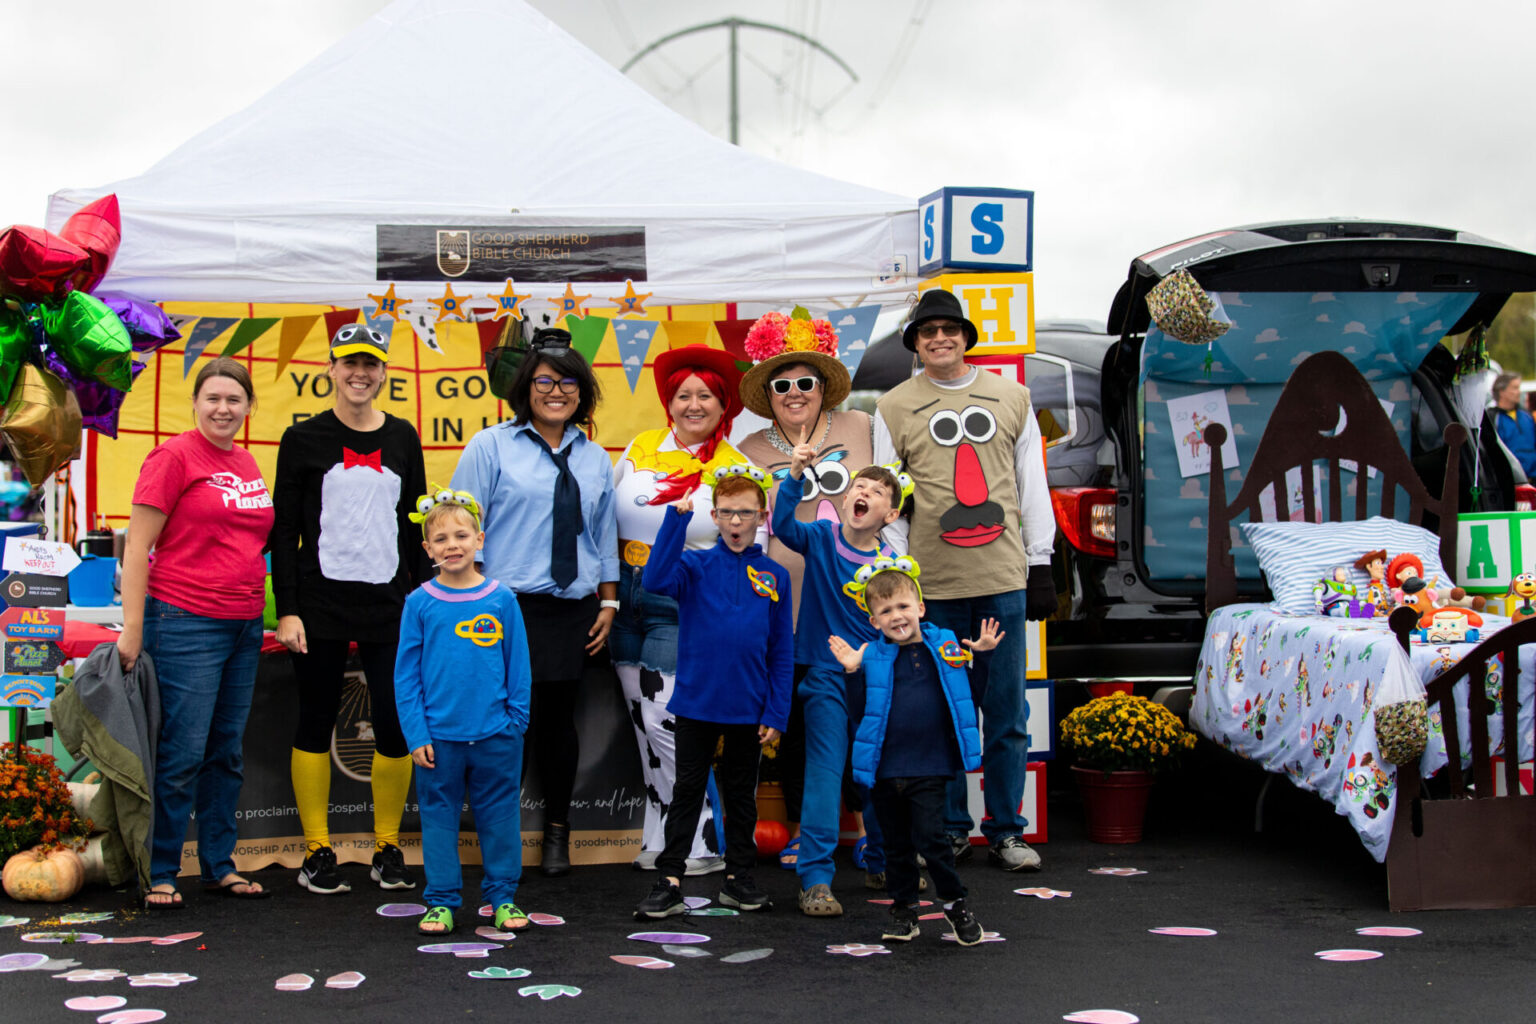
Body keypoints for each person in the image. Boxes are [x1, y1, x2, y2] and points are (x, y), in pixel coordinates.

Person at [871, 288, 1056, 871]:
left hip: (1001, 578)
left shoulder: (1013, 396)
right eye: (928, 331)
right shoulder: (894, 406)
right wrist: (902, 574)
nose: (939, 338)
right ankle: (952, 828)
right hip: (934, 589)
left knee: (1006, 714)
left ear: (966, 336)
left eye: (950, 328)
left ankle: (1006, 829)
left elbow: (1031, 483)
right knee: (943, 714)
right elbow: (887, 495)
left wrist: (1042, 559)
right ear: (916, 342)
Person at [451, 327, 618, 877]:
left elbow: (602, 534)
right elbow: (460, 525)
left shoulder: (594, 458)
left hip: (570, 610)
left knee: (555, 725)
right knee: (502, 726)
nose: (557, 391)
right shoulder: (490, 446)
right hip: (500, 608)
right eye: (545, 380)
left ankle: (557, 834)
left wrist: (609, 602)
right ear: (525, 387)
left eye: (569, 382)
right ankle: (498, 842)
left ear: (582, 393)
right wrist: (464, 601)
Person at [270, 323, 430, 896]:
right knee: (315, 718)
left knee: (394, 724)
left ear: (385, 372)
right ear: (331, 370)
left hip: (392, 607)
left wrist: (425, 600)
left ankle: (387, 845)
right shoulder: (303, 439)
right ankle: (318, 849)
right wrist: (288, 609)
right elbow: (284, 529)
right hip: (318, 606)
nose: (360, 374)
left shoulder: (404, 437)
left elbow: (418, 528)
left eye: (371, 364)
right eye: (349, 364)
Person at [117, 357, 274, 908]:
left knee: (226, 752)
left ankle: (219, 864)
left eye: (234, 400)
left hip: (243, 625)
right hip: (184, 620)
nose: (223, 408)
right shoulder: (173, 456)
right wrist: (132, 629)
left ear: (249, 407)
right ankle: (160, 868)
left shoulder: (248, 462)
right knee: (181, 752)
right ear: (196, 403)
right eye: (213, 398)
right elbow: (136, 548)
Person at [735, 315, 879, 876]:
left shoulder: (863, 425)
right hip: (783, 604)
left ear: (823, 387)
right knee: (795, 724)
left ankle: (869, 828)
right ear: (768, 395)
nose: (794, 394)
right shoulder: (745, 447)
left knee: (864, 717)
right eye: (781, 385)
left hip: (854, 601)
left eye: (804, 383)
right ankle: (800, 829)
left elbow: (894, 502)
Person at [611, 344, 754, 876]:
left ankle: (699, 834)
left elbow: (737, 545)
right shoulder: (641, 446)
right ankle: (661, 832)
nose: (694, 405)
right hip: (627, 594)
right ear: (669, 403)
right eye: (683, 395)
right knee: (641, 725)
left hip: (681, 599)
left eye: (706, 397)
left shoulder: (733, 467)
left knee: (666, 718)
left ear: (724, 406)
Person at [633, 466, 793, 918]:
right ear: (716, 518)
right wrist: (676, 521)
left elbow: (781, 650)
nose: (736, 522)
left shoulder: (775, 575)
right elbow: (654, 581)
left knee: (742, 797)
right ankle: (669, 880)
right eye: (727, 513)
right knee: (687, 791)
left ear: (761, 516)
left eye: (745, 513)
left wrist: (776, 711)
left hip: (748, 706)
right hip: (697, 703)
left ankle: (738, 878)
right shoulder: (693, 564)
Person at [773, 434, 906, 916]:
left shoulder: (892, 567)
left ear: (889, 515)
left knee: (876, 775)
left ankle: (881, 856)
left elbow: (901, 627)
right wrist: (791, 476)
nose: (863, 492)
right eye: (858, 486)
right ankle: (815, 880)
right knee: (825, 775)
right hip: (825, 679)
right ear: (846, 498)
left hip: (872, 682)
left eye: (878, 492)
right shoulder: (820, 538)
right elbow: (783, 525)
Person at [829, 561, 993, 946]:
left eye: (903, 606)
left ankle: (955, 904)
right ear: (874, 621)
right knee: (895, 845)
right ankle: (904, 910)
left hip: (930, 766)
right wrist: (852, 673)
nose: (896, 616)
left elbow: (971, 697)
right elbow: (859, 714)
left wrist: (982, 658)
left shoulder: (945, 647)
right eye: (885, 611)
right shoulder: (872, 657)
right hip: (886, 769)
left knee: (931, 839)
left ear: (920, 608)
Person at [394, 491, 531, 937]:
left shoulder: (502, 599)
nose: (452, 544)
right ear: (427, 549)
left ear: (479, 539)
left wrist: (515, 723)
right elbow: (406, 677)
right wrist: (416, 735)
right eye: (440, 538)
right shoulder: (419, 603)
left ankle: (503, 897)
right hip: (439, 739)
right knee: (437, 818)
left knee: (500, 817)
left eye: (460, 535)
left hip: (496, 736)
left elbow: (519, 666)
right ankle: (442, 902)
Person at [1493, 372, 1536, 478]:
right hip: (1510, 480)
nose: (1519, 392)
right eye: (1515, 388)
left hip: (1533, 479)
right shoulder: (1492, 418)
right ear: (1502, 392)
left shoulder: (1527, 416)